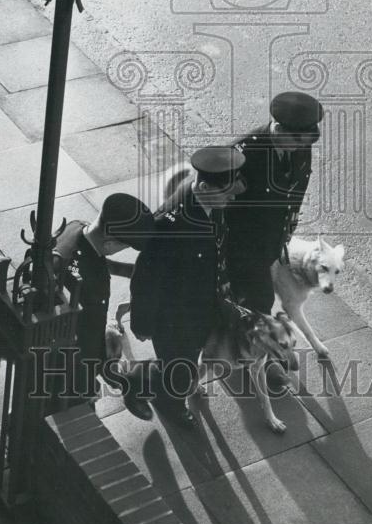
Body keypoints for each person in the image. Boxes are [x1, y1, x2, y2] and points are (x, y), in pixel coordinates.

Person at [123, 146, 247, 426]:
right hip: (172, 316)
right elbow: (146, 277)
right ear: (203, 186)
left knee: (185, 360)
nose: (230, 198)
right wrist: (142, 323)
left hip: (200, 305)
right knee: (180, 367)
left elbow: (214, 250)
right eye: (226, 193)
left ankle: (148, 377)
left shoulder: (209, 205)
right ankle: (171, 406)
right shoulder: (170, 224)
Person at [225, 91, 324, 314]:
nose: (301, 148)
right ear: (278, 129)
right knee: (258, 305)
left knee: (253, 306)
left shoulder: (299, 144)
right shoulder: (241, 155)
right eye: (297, 141)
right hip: (242, 250)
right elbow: (215, 207)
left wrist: (285, 232)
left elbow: (295, 189)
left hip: (271, 243)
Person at [53, 192, 155, 400]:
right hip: (69, 360)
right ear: (109, 243)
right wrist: (90, 378)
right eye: (124, 246)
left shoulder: (76, 227)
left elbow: (97, 261)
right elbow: (81, 336)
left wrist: (130, 270)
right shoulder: (84, 282)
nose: (122, 250)